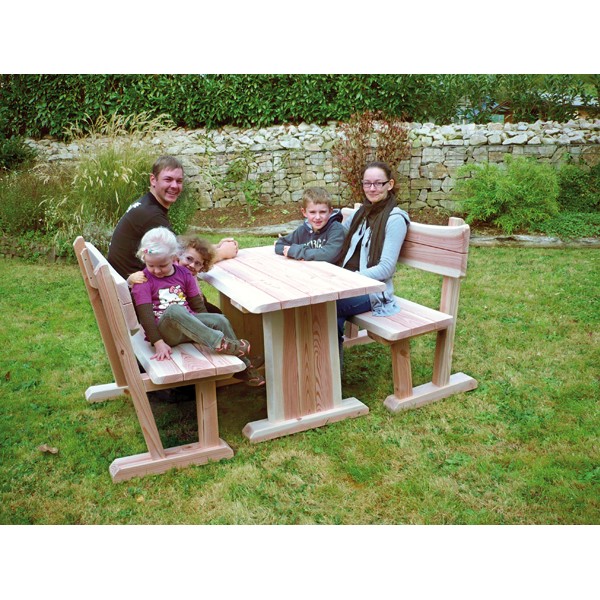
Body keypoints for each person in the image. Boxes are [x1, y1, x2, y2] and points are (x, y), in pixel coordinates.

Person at [130, 226, 265, 387]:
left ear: (174, 257)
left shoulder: (184, 274)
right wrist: (158, 342)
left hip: (188, 328)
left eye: (162, 265)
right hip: (165, 334)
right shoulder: (143, 280)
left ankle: (244, 368)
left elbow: (198, 306)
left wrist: (207, 325)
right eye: (151, 265)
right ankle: (220, 343)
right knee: (174, 310)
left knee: (219, 319)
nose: (157, 270)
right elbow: (145, 317)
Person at [107, 155, 238, 312]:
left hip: (135, 292)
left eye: (179, 181)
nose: (174, 186)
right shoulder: (151, 215)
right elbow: (181, 260)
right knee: (215, 315)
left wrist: (212, 248)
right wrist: (222, 253)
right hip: (146, 301)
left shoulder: (146, 206)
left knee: (213, 312)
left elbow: (181, 249)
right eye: (168, 179)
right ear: (153, 180)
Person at [336, 161, 410, 363]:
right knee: (323, 307)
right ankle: (326, 370)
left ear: (390, 184)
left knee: (325, 307)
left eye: (378, 183)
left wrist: (350, 278)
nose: (372, 188)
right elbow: (338, 238)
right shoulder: (361, 213)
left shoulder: (395, 219)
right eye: (367, 183)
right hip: (344, 284)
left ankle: (327, 371)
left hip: (372, 291)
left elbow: (386, 268)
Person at [274, 187, 345, 263]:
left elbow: (328, 255)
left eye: (322, 212)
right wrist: (293, 251)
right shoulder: (302, 230)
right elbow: (280, 245)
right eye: (312, 212)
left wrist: (297, 251)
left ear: (330, 211)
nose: (317, 217)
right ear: (304, 212)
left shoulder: (336, 230)